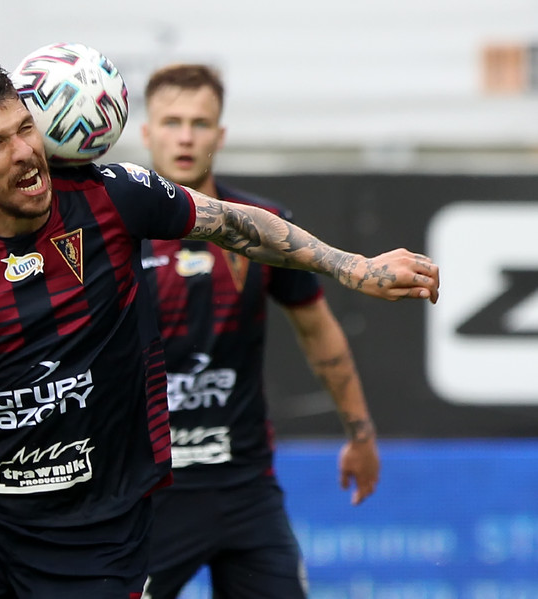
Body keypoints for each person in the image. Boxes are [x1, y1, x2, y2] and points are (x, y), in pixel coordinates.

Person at [0, 60, 439, 599]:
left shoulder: (111, 196)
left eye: (25, 128)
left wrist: (352, 266)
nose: (23, 152)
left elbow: (235, 223)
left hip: (100, 532)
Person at [139, 64, 382, 599]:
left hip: (245, 489)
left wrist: (360, 434)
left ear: (220, 134)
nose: (185, 137)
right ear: (147, 133)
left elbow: (318, 331)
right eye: (172, 122)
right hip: (147, 492)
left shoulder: (263, 225)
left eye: (200, 123)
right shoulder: (114, 234)